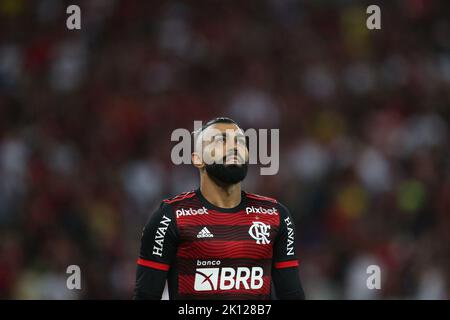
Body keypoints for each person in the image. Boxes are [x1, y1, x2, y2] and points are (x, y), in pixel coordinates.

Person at [134, 117, 305, 299]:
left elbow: (292, 294)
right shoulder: (170, 217)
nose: (234, 147)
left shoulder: (276, 215)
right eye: (220, 141)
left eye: (240, 142)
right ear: (198, 159)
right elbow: (146, 295)